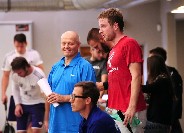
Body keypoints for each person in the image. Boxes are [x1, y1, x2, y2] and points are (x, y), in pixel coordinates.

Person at [98, 8, 147, 133]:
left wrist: (131, 107)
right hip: (115, 109)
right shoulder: (114, 50)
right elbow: (118, 79)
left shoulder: (129, 43)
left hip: (129, 111)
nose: (100, 30)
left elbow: (136, 76)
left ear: (115, 26)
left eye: (103, 26)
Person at [46, 31, 96, 133]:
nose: (66, 46)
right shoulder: (55, 67)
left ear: (78, 45)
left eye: (70, 43)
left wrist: (64, 98)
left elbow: (90, 96)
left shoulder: (85, 67)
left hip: (76, 125)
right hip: (55, 125)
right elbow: (49, 93)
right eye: (64, 43)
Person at [1, 33, 44, 129]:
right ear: (14, 44)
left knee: (33, 126)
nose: (20, 49)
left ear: (26, 43)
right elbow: (5, 76)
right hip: (18, 93)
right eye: (17, 46)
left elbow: (41, 71)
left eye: (22, 46)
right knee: (20, 123)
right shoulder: (9, 56)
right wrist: (3, 93)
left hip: (33, 94)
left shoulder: (34, 54)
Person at [149, 47, 183, 133]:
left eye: (151, 58)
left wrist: (172, 120)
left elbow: (175, 98)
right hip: (155, 118)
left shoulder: (171, 74)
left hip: (166, 119)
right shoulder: (153, 75)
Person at [11, 57, 45, 133]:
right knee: (20, 131)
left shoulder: (39, 74)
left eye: (20, 72)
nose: (18, 75)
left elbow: (45, 93)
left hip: (38, 103)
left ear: (26, 67)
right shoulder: (15, 75)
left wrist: (46, 118)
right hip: (23, 103)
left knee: (35, 131)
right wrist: (17, 104)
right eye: (16, 73)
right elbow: (15, 90)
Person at [142, 55, 173, 133]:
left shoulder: (162, 80)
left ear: (153, 67)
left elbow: (148, 88)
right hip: (161, 121)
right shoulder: (164, 79)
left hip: (157, 121)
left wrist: (132, 84)